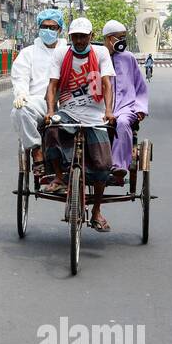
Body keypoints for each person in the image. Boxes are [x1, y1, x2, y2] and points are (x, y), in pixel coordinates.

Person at [45, 18, 115, 232]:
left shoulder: (101, 53)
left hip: (95, 115)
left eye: (83, 36)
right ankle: (59, 176)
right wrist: (50, 111)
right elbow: (52, 85)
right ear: (70, 37)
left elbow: (106, 84)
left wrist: (108, 111)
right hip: (68, 111)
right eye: (76, 36)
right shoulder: (61, 53)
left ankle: (96, 211)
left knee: (103, 165)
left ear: (91, 36)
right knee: (51, 131)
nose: (80, 40)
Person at [10, 8, 66, 177]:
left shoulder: (69, 51)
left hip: (66, 102)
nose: (48, 30)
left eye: (53, 27)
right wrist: (21, 94)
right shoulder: (28, 53)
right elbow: (20, 77)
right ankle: (37, 151)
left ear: (60, 30)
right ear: (39, 28)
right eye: (44, 26)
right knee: (20, 111)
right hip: (39, 102)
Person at [100, 20, 148, 184]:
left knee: (122, 123)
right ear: (108, 39)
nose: (123, 41)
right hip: (99, 109)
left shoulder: (129, 58)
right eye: (119, 37)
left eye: (124, 37)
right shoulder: (98, 57)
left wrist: (140, 108)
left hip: (125, 108)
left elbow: (140, 86)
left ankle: (118, 166)